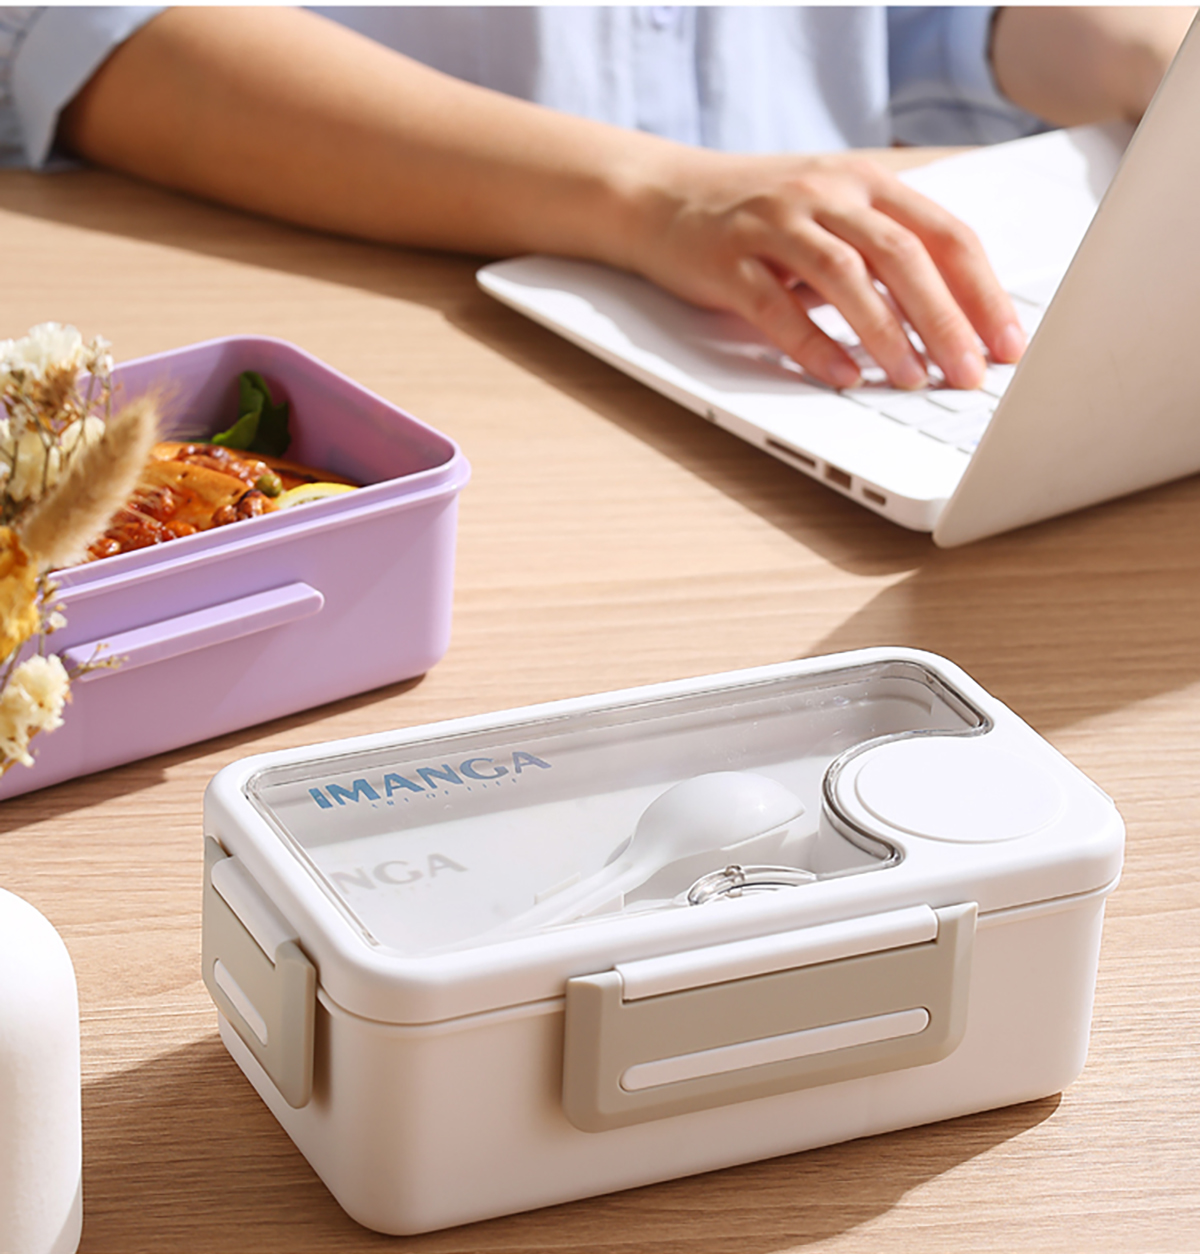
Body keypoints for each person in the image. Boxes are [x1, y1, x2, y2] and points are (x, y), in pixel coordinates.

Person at [1, 6, 1193, 392]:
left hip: (798, 336)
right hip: (426, 337)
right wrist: (661, 193)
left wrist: (1152, 51)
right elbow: (88, 32)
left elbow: (918, 25)